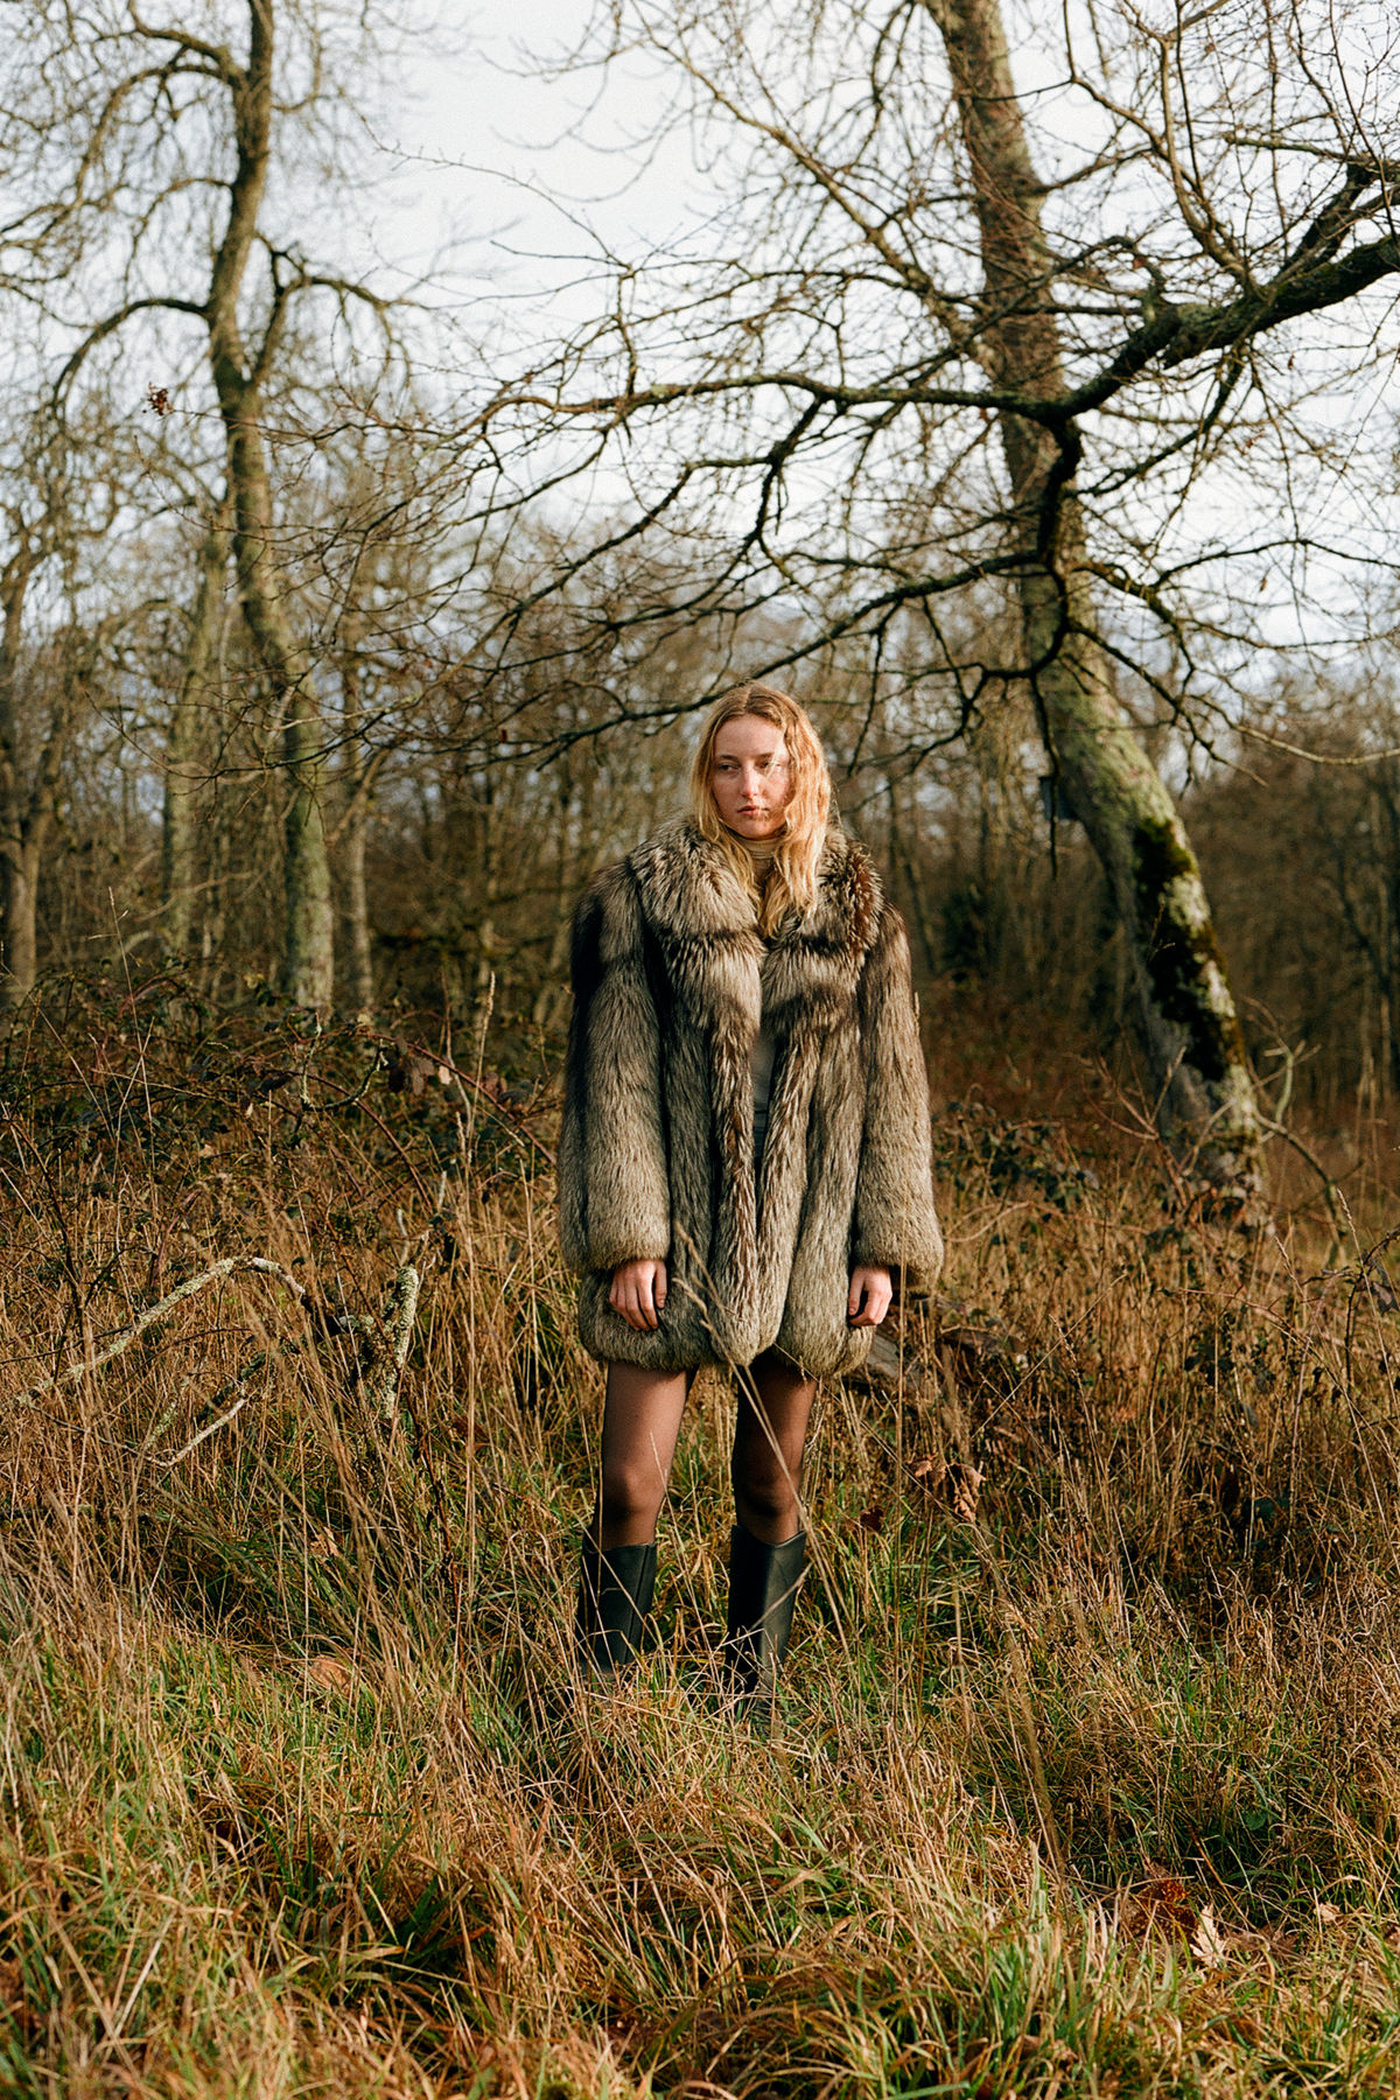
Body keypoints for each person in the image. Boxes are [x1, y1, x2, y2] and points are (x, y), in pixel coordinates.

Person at [558, 683, 942, 1723]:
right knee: (631, 1486)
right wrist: (628, 1236)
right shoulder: (637, 900)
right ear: (706, 776)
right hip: (676, 1232)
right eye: (728, 765)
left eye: (767, 764)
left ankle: (748, 1698)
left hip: (810, 1237)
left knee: (771, 1484)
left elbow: (895, 1091)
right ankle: (601, 1707)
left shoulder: (861, 915)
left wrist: (882, 1246)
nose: (748, 785)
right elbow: (613, 1079)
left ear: (799, 770)